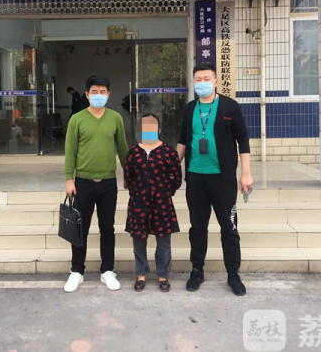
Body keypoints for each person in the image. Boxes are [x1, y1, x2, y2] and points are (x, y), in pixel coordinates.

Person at [176, 62, 253, 297]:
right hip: (196, 179)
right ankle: (197, 271)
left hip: (223, 179)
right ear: (193, 82)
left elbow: (243, 140)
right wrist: (171, 167)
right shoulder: (189, 109)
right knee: (197, 228)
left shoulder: (230, 106)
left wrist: (246, 173)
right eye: (198, 79)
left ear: (216, 81)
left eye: (207, 79)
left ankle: (233, 274)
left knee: (229, 227)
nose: (202, 83)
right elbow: (183, 140)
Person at [63, 75, 129, 293]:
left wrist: (128, 174)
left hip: (108, 183)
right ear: (87, 94)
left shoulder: (115, 118)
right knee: (80, 228)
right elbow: (70, 151)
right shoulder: (77, 119)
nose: (98, 95)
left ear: (108, 94)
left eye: (102, 92)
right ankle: (77, 271)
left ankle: (107, 270)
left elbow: (122, 148)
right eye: (94, 92)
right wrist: (69, 179)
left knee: (107, 228)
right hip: (83, 183)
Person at [124, 114, 182, 293]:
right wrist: (137, 193)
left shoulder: (169, 152)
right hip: (138, 203)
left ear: (159, 129)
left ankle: (163, 275)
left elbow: (177, 177)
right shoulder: (133, 152)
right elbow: (128, 177)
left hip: (162, 204)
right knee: (139, 240)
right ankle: (141, 274)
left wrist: (165, 192)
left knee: (163, 241)